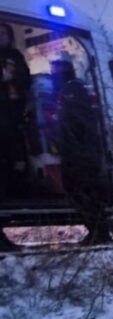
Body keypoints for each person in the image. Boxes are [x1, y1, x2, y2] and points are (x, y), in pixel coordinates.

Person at [53, 60, 112, 243]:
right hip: (80, 152)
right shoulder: (72, 90)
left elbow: (79, 124)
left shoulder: (73, 91)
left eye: (55, 71)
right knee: (84, 193)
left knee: (85, 193)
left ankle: (100, 233)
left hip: (80, 154)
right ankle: (97, 231)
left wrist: (72, 146)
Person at [0, 23, 30, 202]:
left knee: (17, 154)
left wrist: (13, 78)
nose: (1, 36)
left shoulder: (16, 56)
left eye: (3, 33)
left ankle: (18, 190)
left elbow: (26, 79)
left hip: (14, 112)